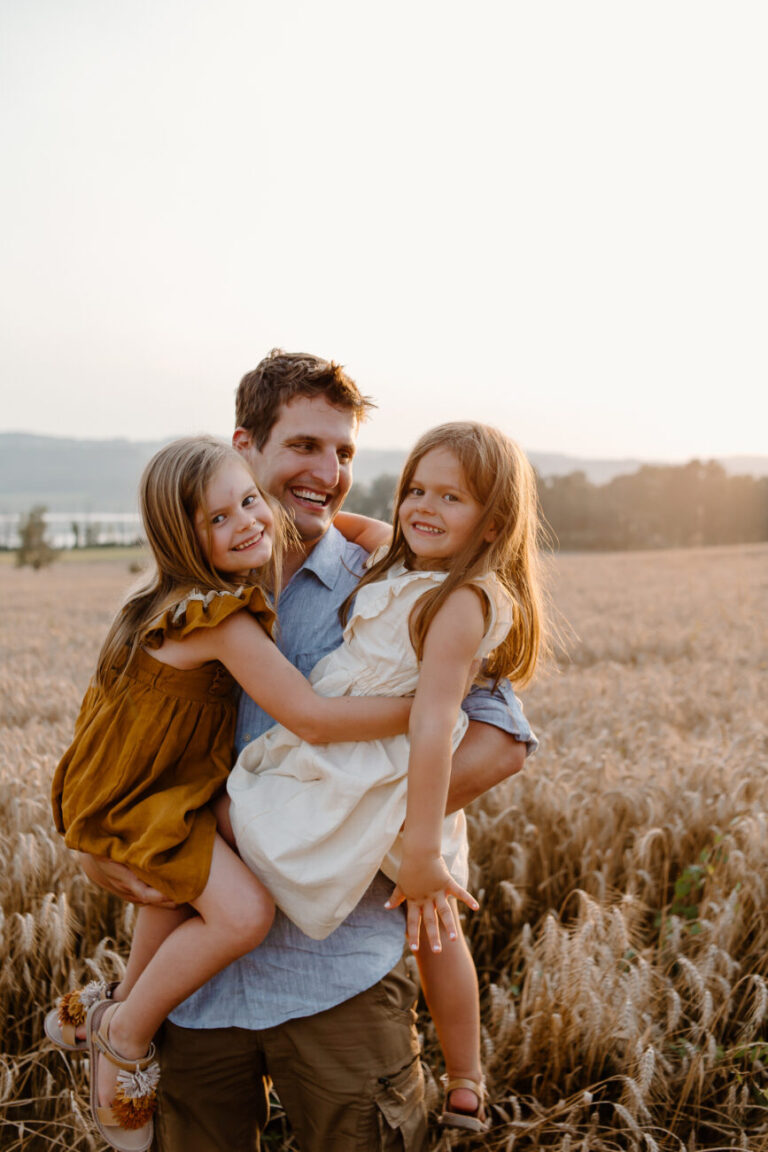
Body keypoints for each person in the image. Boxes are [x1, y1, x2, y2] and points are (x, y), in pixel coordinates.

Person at [79, 350, 538, 1152]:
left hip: (340, 978)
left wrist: (347, 827)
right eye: (304, 446)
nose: (328, 473)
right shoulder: (180, 599)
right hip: (197, 992)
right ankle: (119, 1018)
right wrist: (101, 849)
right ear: (245, 445)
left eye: (345, 452)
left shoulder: (394, 580)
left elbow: (499, 740)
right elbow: (122, 749)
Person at [48, 435, 416, 1152]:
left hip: (143, 789)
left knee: (174, 895)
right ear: (179, 539)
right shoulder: (219, 618)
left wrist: (368, 529)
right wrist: (425, 709)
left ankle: (111, 1003)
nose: (247, 522)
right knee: (243, 913)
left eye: (249, 501)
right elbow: (311, 717)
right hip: (151, 799)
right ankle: (124, 1034)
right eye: (218, 519)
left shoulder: (157, 602)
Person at [228, 420, 546, 1133]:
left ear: (495, 523)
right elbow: (346, 523)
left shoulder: (461, 601)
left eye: (452, 498)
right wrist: (263, 506)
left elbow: (433, 723)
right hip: (371, 762)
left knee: (431, 915)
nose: (424, 508)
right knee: (434, 927)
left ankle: (465, 1076)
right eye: (416, 490)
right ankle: (465, 1080)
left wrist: (425, 849)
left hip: (384, 768)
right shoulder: (400, 560)